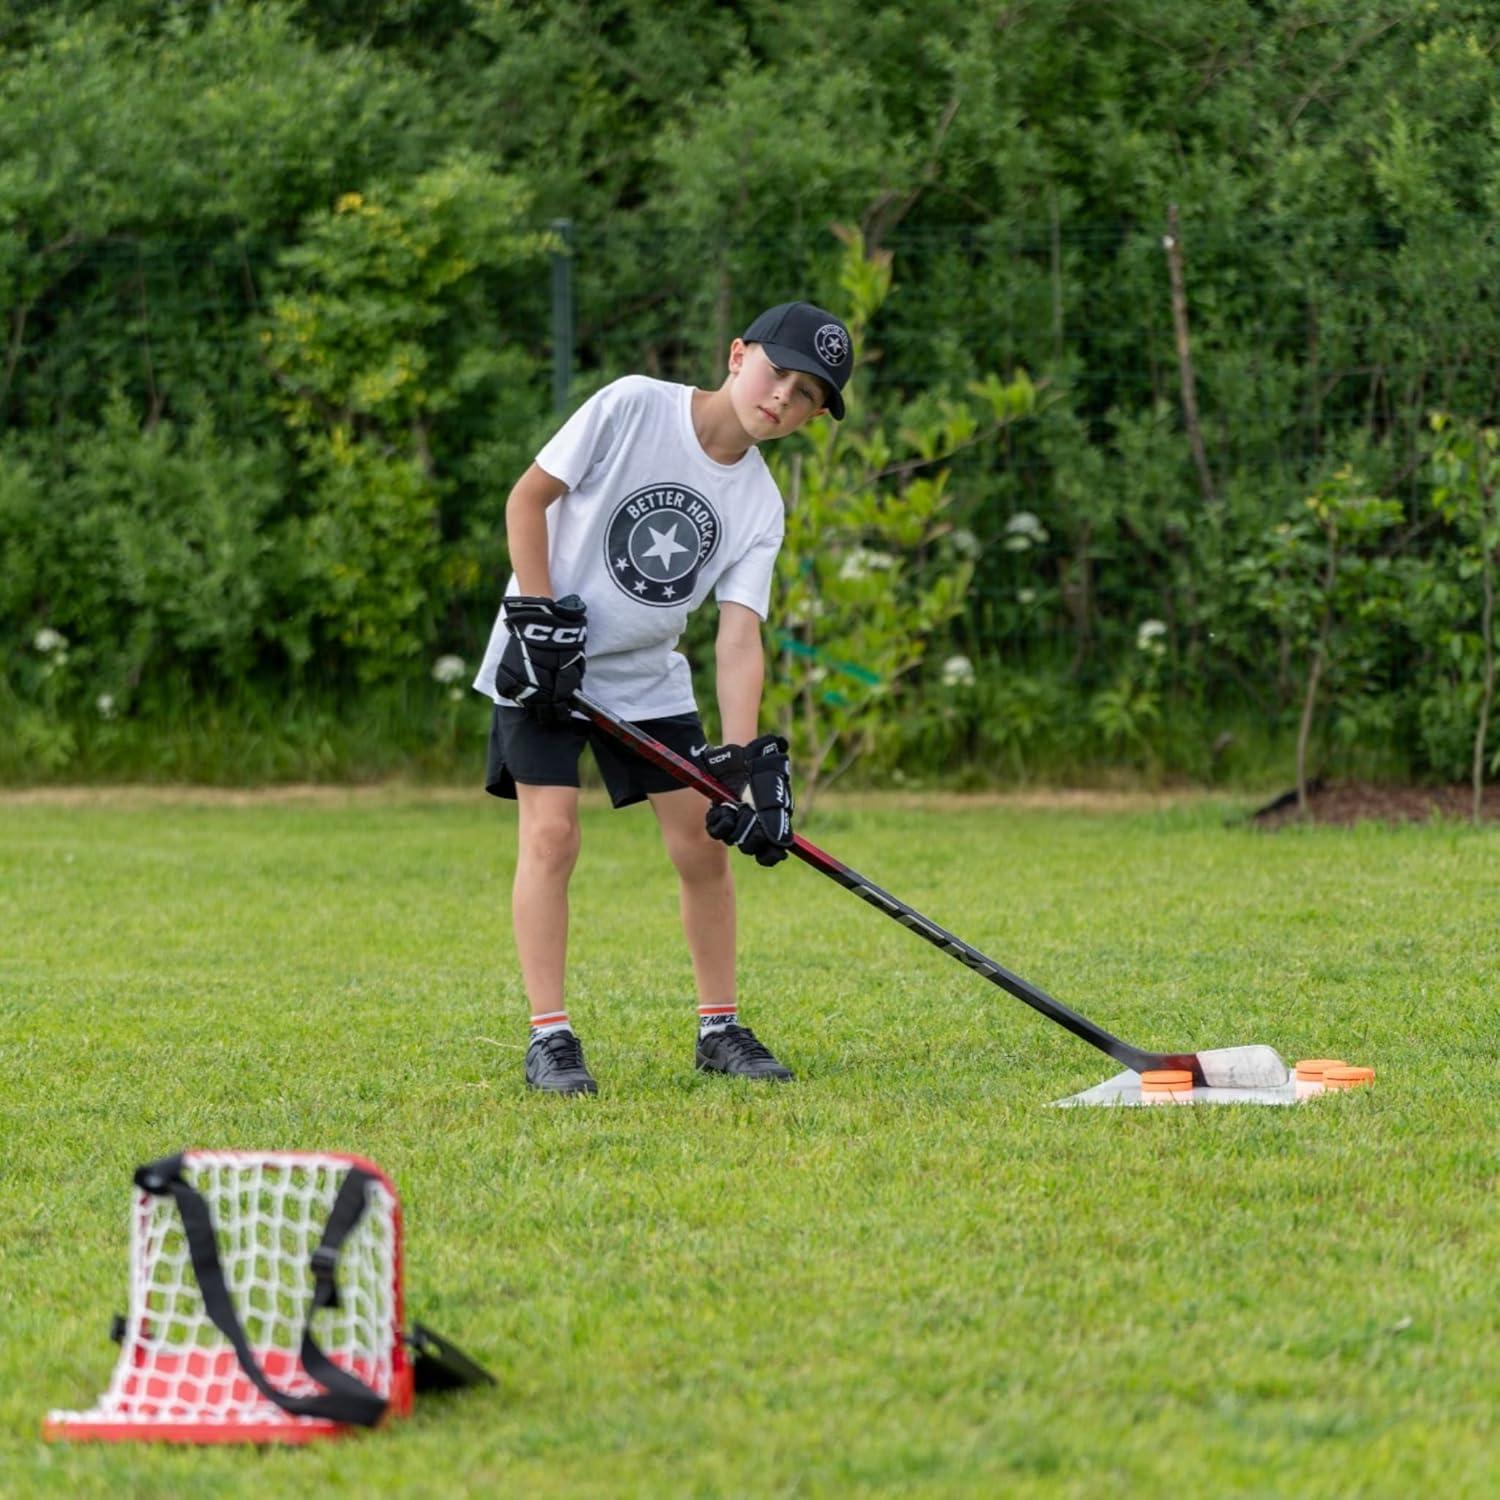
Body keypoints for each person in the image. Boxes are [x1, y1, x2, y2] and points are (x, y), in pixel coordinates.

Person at [473, 301, 855, 1094]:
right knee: (552, 835)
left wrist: (741, 764)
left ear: (814, 418)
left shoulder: (760, 505)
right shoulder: (633, 405)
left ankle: (720, 1030)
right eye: (777, 373)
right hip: (546, 657)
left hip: (645, 676)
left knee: (701, 846)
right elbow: (526, 500)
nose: (781, 398)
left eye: (806, 396)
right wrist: (539, 617)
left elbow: (739, 636)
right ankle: (550, 1037)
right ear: (738, 354)